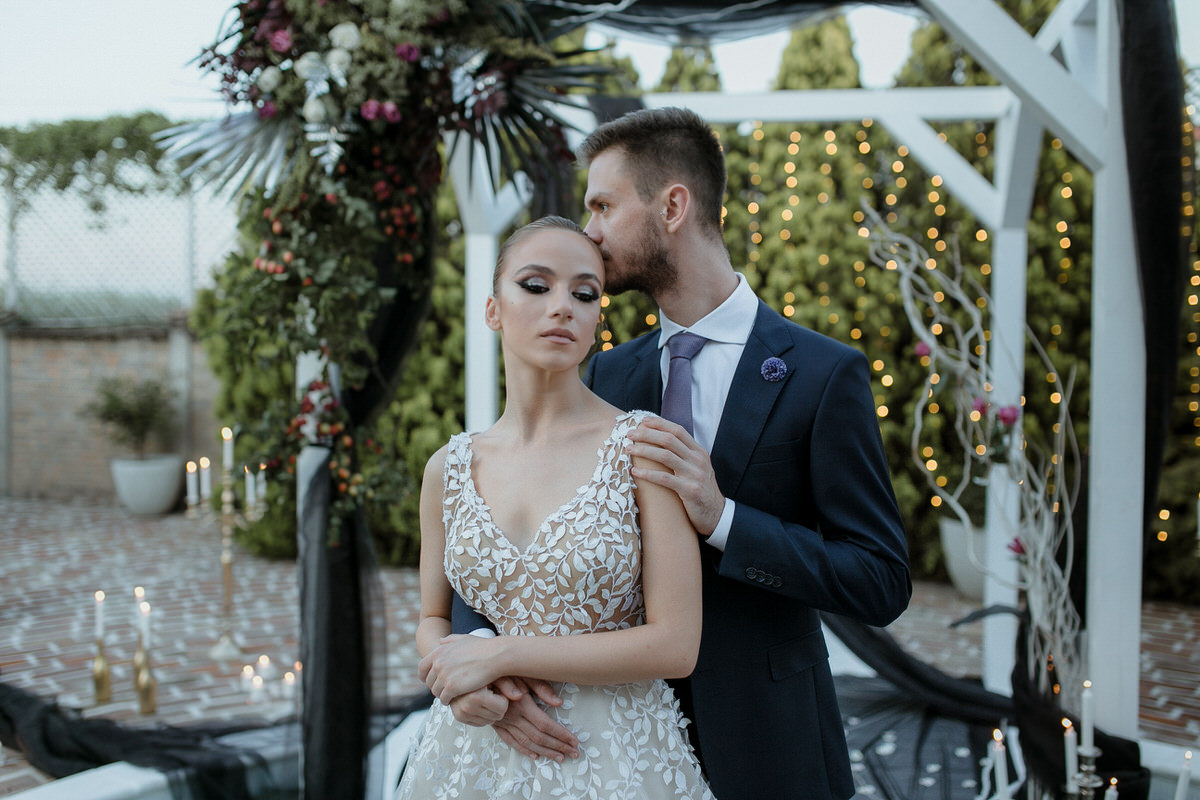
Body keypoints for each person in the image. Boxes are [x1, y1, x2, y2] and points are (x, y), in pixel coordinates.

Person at [450, 107, 913, 800]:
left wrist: (725, 519)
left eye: (603, 206)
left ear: (672, 206)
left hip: (767, 744)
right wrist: (485, 660)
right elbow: (501, 535)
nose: (590, 231)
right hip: (605, 748)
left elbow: (880, 580)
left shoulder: (822, 375)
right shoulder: (608, 373)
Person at [396, 215, 716, 799]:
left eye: (585, 294)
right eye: (536, 286)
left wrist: (499, 655)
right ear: (492, 310)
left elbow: (676, 645)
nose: (562, 306)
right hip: (474, 749)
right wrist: (466, 687)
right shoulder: (448, 467)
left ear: (596, 323)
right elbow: (432, 621)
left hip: (616, 760)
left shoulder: (644, 449)